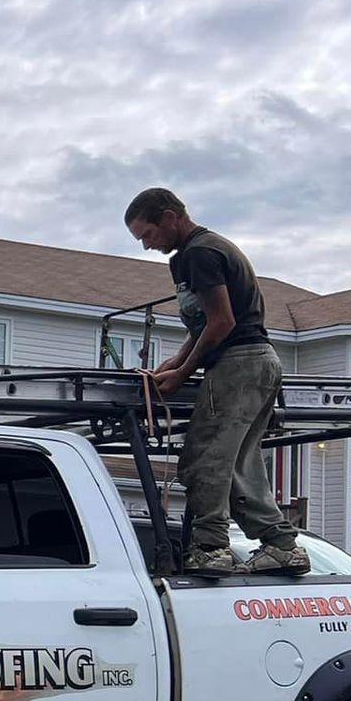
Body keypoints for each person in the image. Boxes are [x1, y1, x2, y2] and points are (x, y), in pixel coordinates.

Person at [124, 187, 306, 576]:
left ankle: (210, 549)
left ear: (170, 218)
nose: (146, 246)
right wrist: (173, 363)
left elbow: (223, 322)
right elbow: (206, 322)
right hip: (255, 364)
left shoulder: (200, 253)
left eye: (148, 235)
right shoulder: (195, 254)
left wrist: (183, 374)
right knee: (238, 462)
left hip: (239, 366)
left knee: (207, 458)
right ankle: (281, 545)